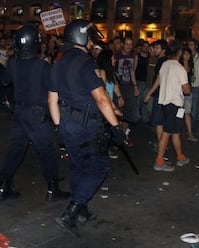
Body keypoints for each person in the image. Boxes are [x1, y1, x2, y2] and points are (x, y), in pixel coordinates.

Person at [48, 19, 126, 235]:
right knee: (98, 168)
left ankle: (81, 210)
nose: (92, 42)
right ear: (81, 37)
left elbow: (52, 100)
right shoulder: (86, 64)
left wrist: (58, 127)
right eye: (90, 37)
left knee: (78, 167)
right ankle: (71, 212)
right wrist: (116, 127)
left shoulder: (58, 63)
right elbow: (102, 99)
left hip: (66, 125)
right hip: (87, 127)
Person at [0, 24, 69, 201]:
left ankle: (3, 185)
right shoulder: (43, 66)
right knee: (48, 151)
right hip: (37, 114)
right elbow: (54, 89)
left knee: (16, 149)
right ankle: (53, 189)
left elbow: (5, 81)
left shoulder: (13, 64)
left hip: (19, 113)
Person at [152, 40, 191, 172]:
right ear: (179, 52)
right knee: (167, 132)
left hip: (164, 103)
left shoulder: (164, 65)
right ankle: (159, 161)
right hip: (175, 104)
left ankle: (180, 157)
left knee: (175, 131)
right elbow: (187, 90)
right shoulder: (180, 68)